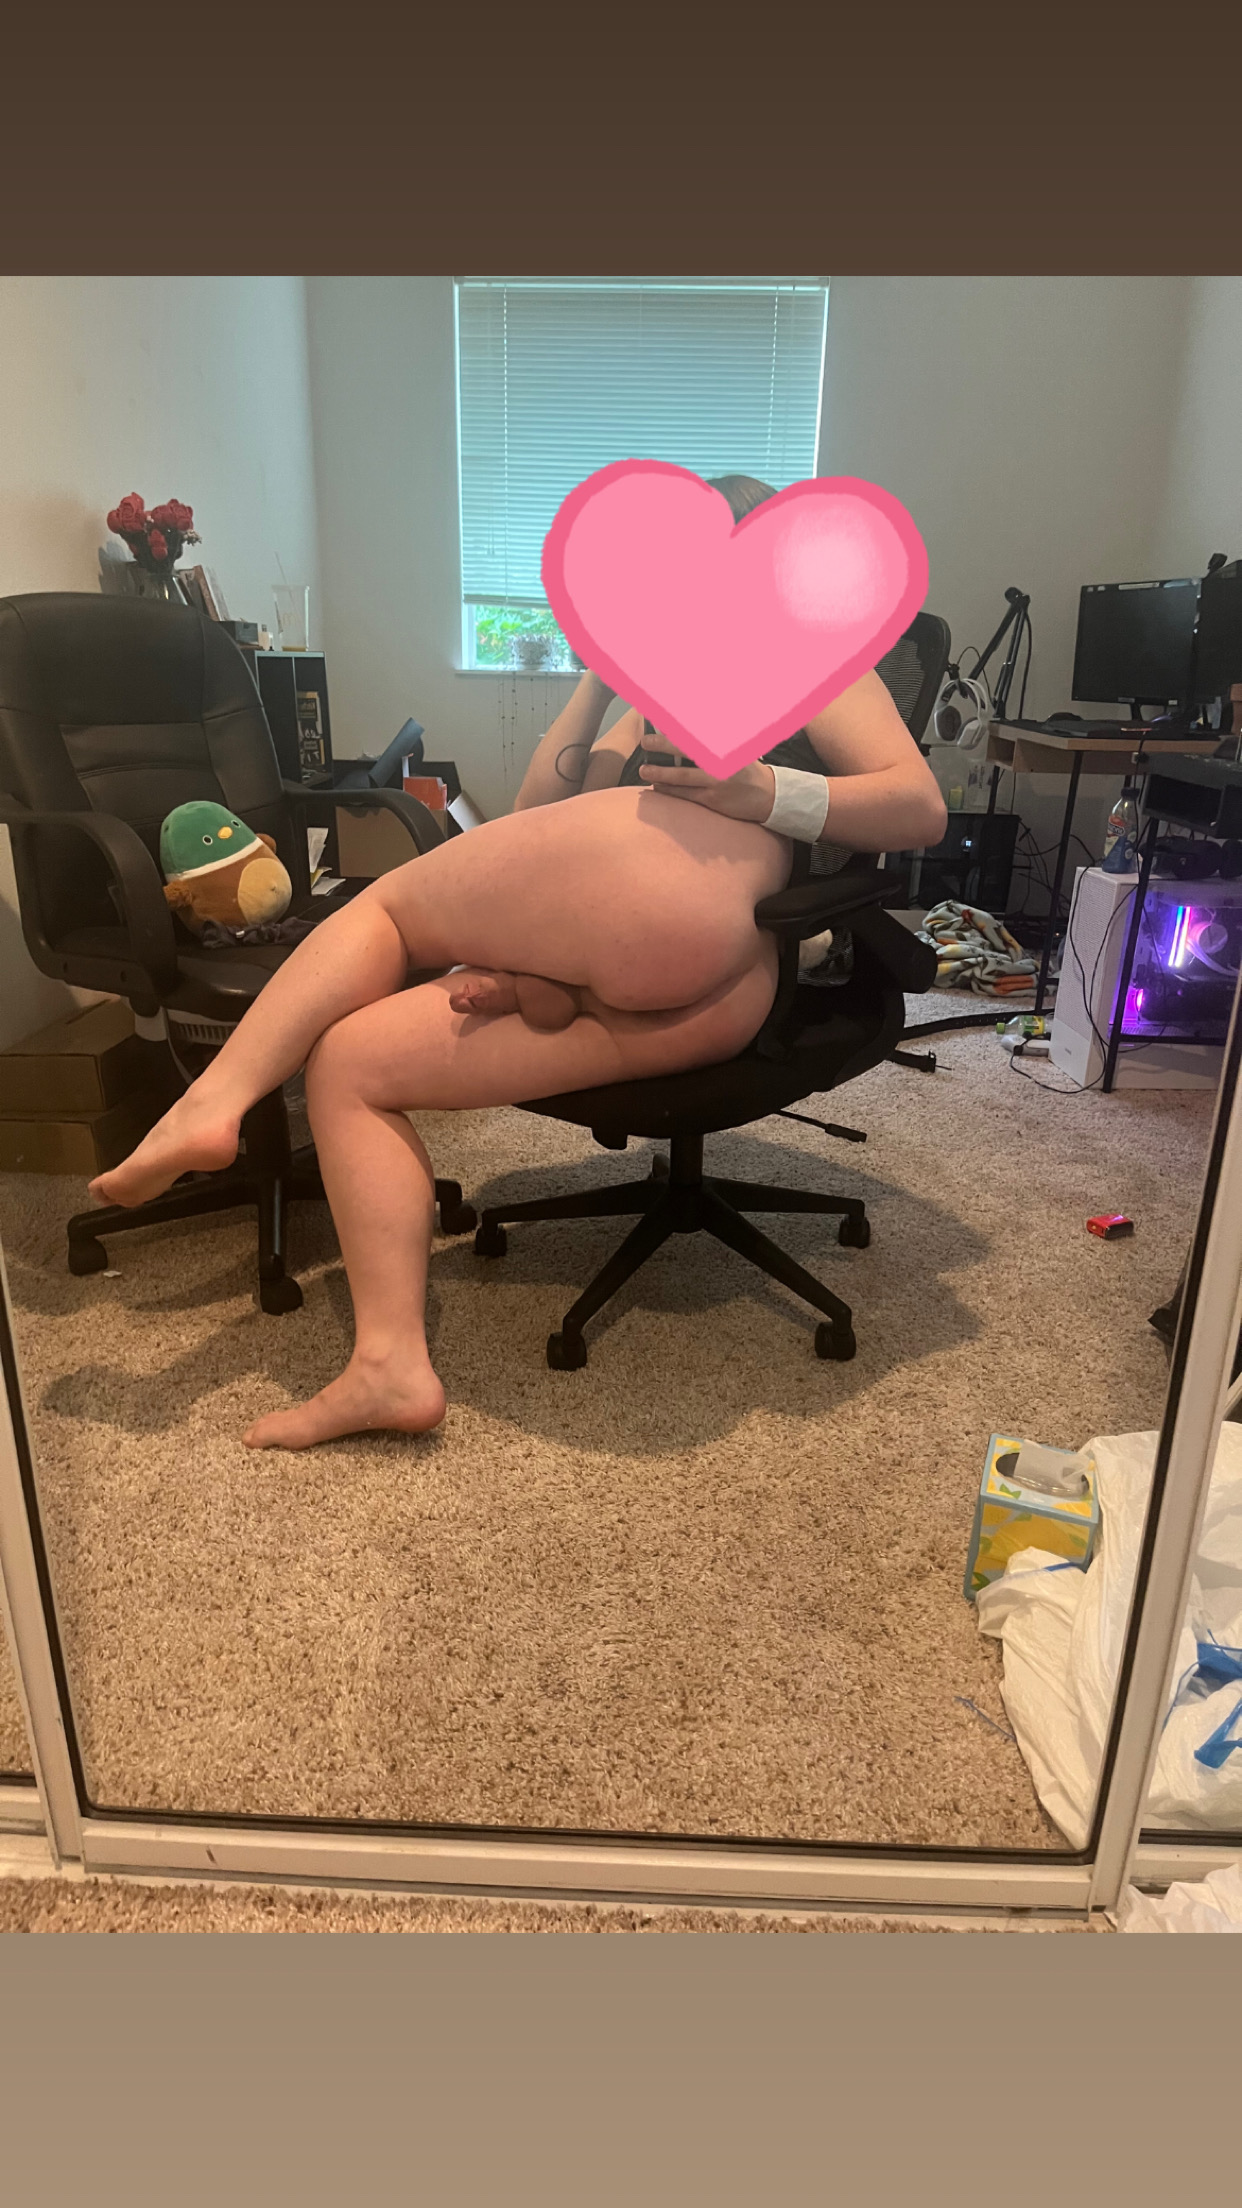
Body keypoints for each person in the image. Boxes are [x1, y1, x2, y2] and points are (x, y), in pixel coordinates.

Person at [89, 474, 945, 1450]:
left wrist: (766, 793)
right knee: (348, 1066)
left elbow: (920, 807)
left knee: (391, 909)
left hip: (717, 923)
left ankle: (214, 1101)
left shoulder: (813, 657)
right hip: (694, 997)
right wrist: (604, 674)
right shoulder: (660, 688)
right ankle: (388, 1369)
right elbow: (540, 807)